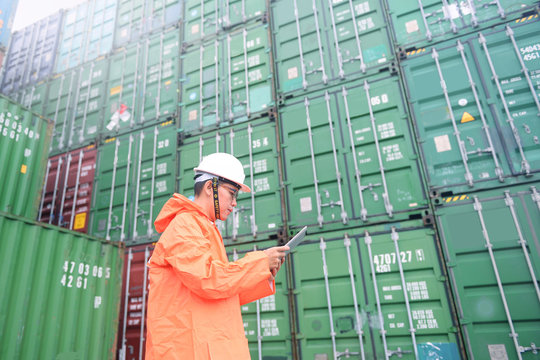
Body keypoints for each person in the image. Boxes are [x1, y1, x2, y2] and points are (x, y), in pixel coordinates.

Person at [145, 152, 289, 360]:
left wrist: (263, 272)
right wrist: (258, 263)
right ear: (209, 187)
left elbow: (222, 294)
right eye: (232, 193)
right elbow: (209, 280)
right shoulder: (184, 225)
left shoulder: (204, 227)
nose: (235, 203)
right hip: (185, 351)